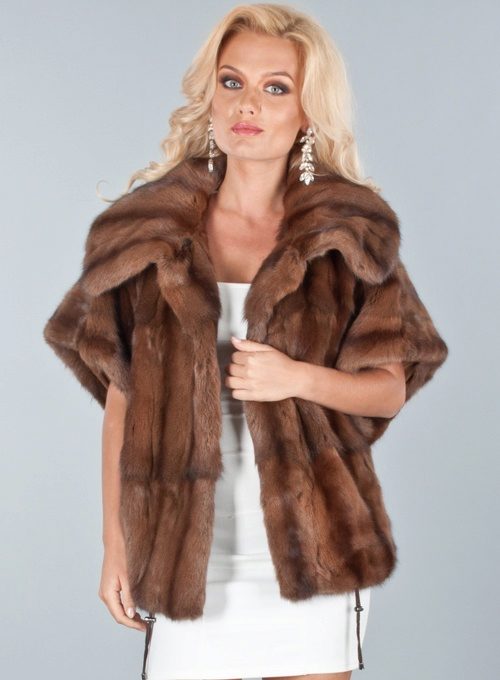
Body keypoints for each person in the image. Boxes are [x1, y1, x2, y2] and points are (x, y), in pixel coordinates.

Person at [43, 4, 449, 680]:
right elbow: (123, 402)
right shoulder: (147, 233)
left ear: (308, 111)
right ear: (210, 94)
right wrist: (115, 544)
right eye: (231, 82)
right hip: (184, 553)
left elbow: (388, 390)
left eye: (275, 88)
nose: (247, 104)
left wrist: (298, 378)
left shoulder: (348, 235)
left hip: (313, 553)